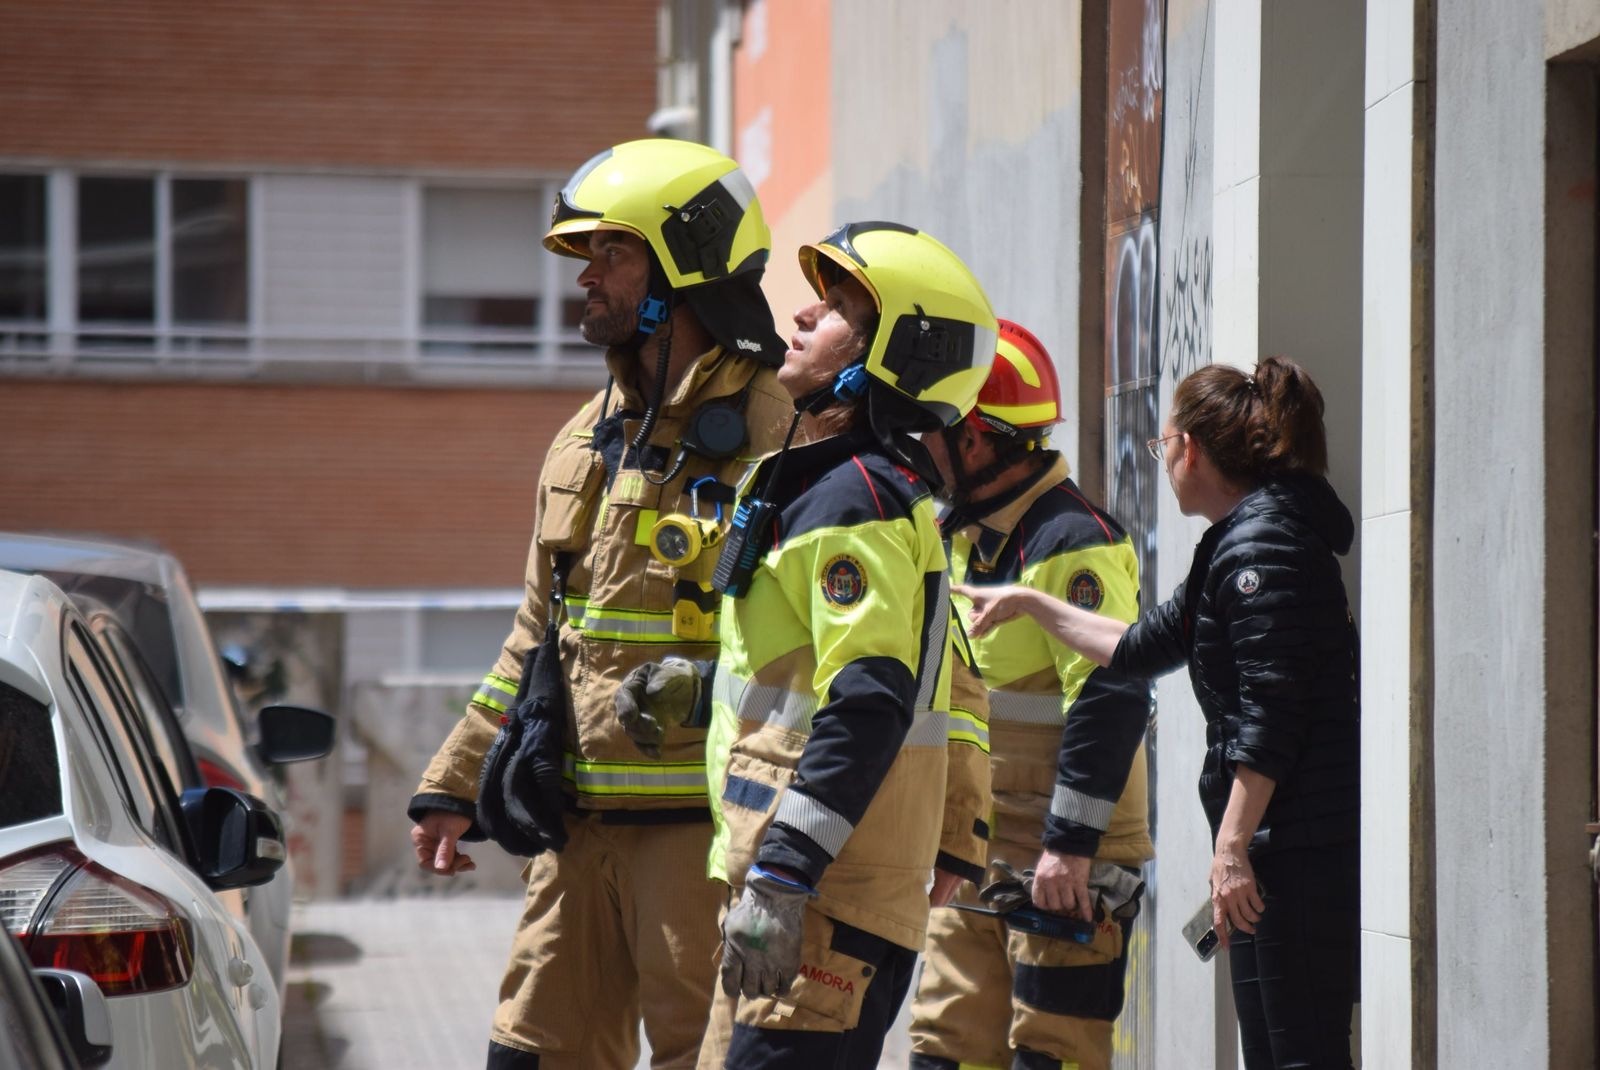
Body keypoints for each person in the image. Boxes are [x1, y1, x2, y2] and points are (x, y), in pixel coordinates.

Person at [405, 138, 794, 1070]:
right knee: (531, 1056)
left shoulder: (781, 436)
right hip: (575, 838)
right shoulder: (585, 438)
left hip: (701, 849)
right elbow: (540, 635)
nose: (586, 278)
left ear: (683, 267)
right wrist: (453, 782)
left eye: (610, 253)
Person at [613, 221, 999, 1067]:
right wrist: (703, 680)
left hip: (822, 898)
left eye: (828, 314)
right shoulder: (835, 487)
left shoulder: (853, 502)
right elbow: (857, 679)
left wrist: (786, 875)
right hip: (805, 889)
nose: (796, 317)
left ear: (884, 359)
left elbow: (869, 701)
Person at [961, 356, 1360, 1069]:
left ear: (1190, 450)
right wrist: (1030, 603)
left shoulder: (1261, 549)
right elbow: (1138, 646)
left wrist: (1232, 849)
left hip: (1295, 851)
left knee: (1302, 1053)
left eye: (1161, 445)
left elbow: (1273, 723)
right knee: (1273, 1052)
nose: (1161, 459)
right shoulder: (1236, 542)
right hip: (1272, 848)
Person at [907, 320, 1153, 1070]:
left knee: (1053, 1054)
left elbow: (1112, 695)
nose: (919, 446)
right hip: (983, 847)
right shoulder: (962, 536)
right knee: (941, 1051)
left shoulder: (1071, 539)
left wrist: (1070, 848)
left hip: (1063, 861)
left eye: (934, 429)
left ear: (976, 439)